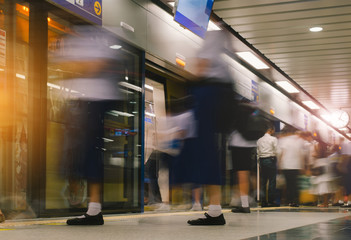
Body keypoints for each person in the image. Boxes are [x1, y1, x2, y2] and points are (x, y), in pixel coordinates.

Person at [53, 26, 123, 225]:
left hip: (94, 101)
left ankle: (94, 209)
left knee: (88, 154)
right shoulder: (83, 34)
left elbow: (95, 65)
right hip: (87, 100)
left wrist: (73, 63)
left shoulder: (94, 35)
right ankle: (93, 208)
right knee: (79, 153)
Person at [181, 30, 235, 225]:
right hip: (218, 99)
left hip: (208, 97)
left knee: (205, 152)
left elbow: (201, 67)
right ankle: (214, 209)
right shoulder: (222, 40)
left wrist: (187, 80)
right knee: (209, 152)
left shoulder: (214, 36)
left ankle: (214, 210)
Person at [277, 126, 306, 207]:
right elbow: (301, 154)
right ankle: (295, 200)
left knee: (288, 184)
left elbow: (281, 153)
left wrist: (279, 164)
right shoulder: (300, 140)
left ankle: (289, 200)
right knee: (295, 184)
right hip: (296, 165)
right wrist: (303, 166)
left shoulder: (283, 140)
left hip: (286, 165)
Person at [257, 123, 278, 207]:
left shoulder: (259, 140)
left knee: (263, 182)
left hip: (262, 161)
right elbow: (276, 150)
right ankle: (271, 201)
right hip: (271, 160)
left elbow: (258, 152)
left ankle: (263, 201)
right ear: (270, 130)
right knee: (272, 181)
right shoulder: (273, 139)